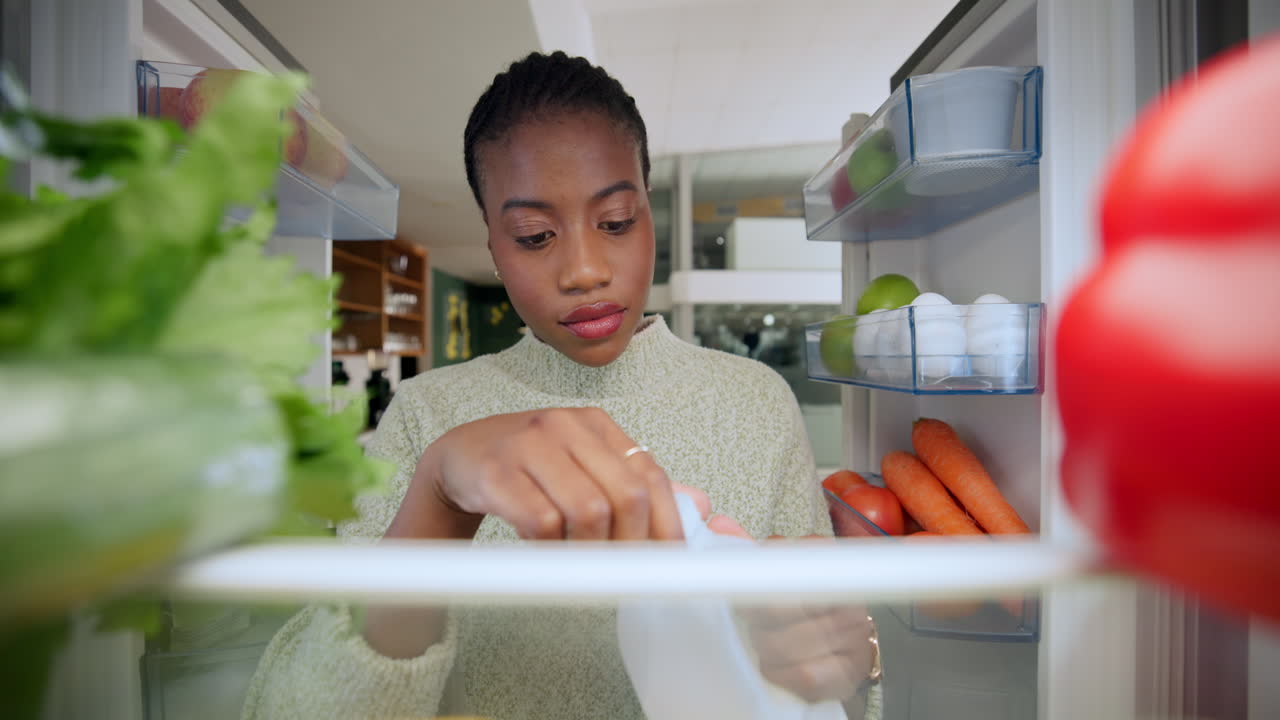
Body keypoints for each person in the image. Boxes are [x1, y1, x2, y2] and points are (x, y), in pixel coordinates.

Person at [243, 51, 881, 720]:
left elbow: (837, 679)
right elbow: (303, 707)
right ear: (493, 246)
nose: (583, 269)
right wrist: (437, 493)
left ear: (650, 217)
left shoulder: (756, 403)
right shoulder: (424, 414)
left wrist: (840, 662)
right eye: (535, 235)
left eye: (614, 223)